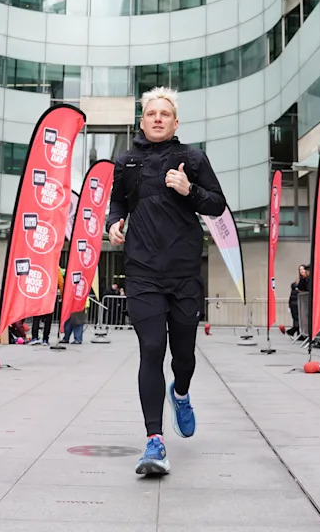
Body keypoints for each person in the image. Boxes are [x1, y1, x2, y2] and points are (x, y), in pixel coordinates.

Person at [106, 86, 225, 475]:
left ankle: (182, 392)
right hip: (142, 270)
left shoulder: (192, 158)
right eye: (151, 113)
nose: (157, 118)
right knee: (152, 349)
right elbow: (118, 202)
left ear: (176, 122)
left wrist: (189, 190)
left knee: (184, 356)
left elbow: (217, 204)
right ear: (142, 120)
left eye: (165, 114)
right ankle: (154, 442)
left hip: (184, 270)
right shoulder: (125, 162)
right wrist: (113, 224)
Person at [29, 267, 64, 345]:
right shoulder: (56, 267)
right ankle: (45, 339)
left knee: (36, 318)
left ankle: (34, 337)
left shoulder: (40, 264)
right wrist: (62, 295)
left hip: (38, 295)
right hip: (49, 297)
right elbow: (61, 282)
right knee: (48, 319)